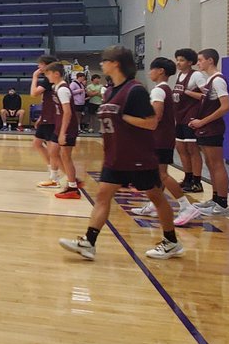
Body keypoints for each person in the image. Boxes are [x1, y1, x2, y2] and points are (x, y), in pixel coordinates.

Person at [60, 45, 183, 261]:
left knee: (156, 196)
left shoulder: (135, 90)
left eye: (105, 60)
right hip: (116, 156)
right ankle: (89, 242)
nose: (101, 64)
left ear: (115, 63)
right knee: (102, 195)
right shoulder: (109, 90)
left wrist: (123, 117)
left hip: (138, 156)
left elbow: (152, 122)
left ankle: (171, 241)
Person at [131, 57, 195, 222]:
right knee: (158, 174)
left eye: (151, 69)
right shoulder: (166, 89)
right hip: (164, 137)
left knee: (162, 174)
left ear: (160, 71)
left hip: (159, 138)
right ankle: (154, 204)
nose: (149, 72)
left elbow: (156, 116)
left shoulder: (159, 90)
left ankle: (186, 206)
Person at [181, 47, 229, 221]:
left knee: (217, 164)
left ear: (210, 60)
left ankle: (223, 204)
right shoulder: (210, 80)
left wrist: (202, 121)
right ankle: (215, 199)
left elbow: (225, 106)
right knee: (210, 165)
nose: (198, 63)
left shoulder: (218, 80)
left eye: (201, 60)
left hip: (212, 128)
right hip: (204, 127)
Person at [171, 48, 206, 194]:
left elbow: (206, 95)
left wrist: (188, 92)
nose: (178, 63)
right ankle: (187, 178)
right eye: (177, 60)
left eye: (181, 60)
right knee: (181, 148)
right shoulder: (180, 75)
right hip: (179, 117)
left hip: (191, 116)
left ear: (190, 62)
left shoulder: (196, 75)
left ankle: (197, 182)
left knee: (192, 150)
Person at [45, 62, 82, 199]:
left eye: (48, 73)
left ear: (56, 74)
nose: (47, 76)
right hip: (59, 126)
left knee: (66, 156)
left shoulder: (63, 90)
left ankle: (72, 186)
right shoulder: (57, 87)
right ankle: (70, 178)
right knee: (53, 151)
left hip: (67, 128)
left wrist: (62, 133)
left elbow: (67, 112)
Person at [31, 54, 62, 187]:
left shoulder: (47, 80)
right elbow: (48, 101)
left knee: (52, 149)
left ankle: (55, 177)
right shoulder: (50, 79)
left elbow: (33, 93)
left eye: (40, 64)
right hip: (47, 116)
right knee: (37, 144)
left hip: (52, 118)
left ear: (46, 65)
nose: (38, 66)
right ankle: (53, 170)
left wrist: (34, 77)